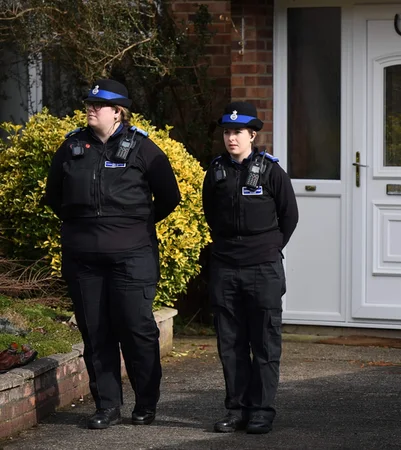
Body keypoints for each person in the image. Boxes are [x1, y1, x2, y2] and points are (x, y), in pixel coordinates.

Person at [43, 79, 181, 429]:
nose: (90, 108)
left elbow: (169, 197)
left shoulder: (144, 149)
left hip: (132, 257)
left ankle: (145, 403)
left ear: (118, 112)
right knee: (96, 331)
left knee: (137, 329)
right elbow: (54, 196)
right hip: (84, 258)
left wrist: (132, 226)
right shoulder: (72, 146)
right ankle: (106, 405)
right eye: (88, 103)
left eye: (98, 105)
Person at [202, 101, 299, 434]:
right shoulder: (215, 171)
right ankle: (236, 409)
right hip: (225, 268)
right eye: (227, 132)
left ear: (252, 135)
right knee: (230, 344)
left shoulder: (271, 171)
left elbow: (290, 216)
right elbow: (210, 214)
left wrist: (268, 248)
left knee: (264, 342)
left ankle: (261, 410)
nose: (231, 138)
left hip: (263, 268)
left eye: (238, 132)